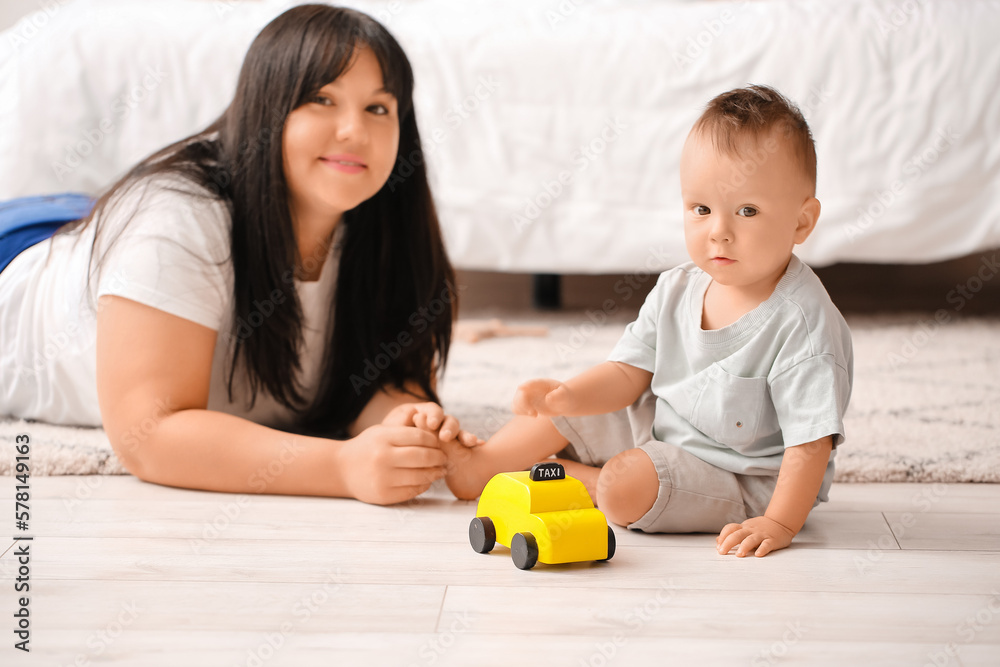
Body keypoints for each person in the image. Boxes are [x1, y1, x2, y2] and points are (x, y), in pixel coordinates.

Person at [0, 5, 482, 505]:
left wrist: (402, 420)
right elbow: (149, 437)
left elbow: (382, 377)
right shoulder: (176, 217)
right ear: (267, 108)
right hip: (16, 256)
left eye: (378, 108)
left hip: (82, 227)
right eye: (321, 98)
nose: (355, 132)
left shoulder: (385, 220)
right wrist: (340, 467)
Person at [444, 85, 853, 558]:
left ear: (802, 222)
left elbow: (809, 445)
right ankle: (480, 469)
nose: (718, 230)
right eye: (701, 209)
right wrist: (567, 395)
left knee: (624, 486)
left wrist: (779, 522)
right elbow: (626, 375)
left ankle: (585, 482)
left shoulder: (802, 325)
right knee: (565, 409)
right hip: (662, 425)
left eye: (747, 211)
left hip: (738, 478)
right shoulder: (678, 288)